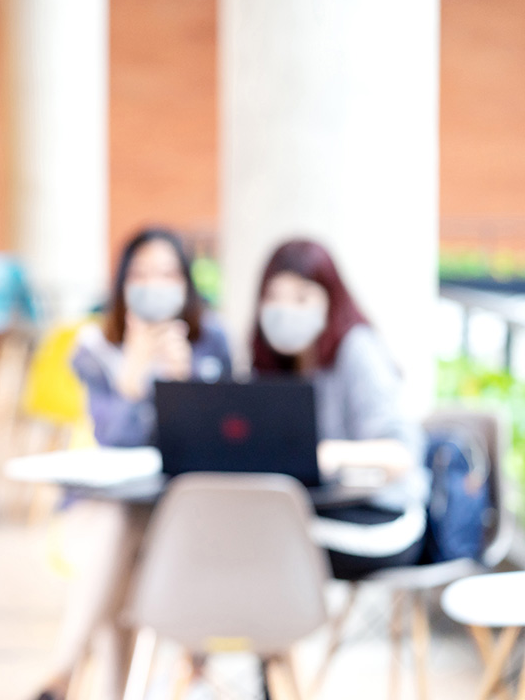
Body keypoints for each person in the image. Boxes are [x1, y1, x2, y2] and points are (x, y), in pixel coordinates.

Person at [33, 228, 233, 700]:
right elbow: (114, 440)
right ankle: (69, 677)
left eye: (167, 273)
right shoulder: (95, 346)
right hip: (104, 510)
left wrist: (185, 387)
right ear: (122, 283)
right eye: (141, 274)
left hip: (185, 515)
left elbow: (218, 440)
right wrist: (132, 378)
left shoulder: (213, 341)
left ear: (186, 282)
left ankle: (61, 676)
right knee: (117, 521)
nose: (154, 285)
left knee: (121, 553)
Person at [251, 238, 428, 579]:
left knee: (261, 542)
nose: (286, 310)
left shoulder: (357, 349)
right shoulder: (280, 366)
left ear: (330, 300)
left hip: (384, 517)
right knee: (240, 529)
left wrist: (328, 454)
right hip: (317, 510)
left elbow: (402, 455)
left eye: (301, 298)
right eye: (274, 298)